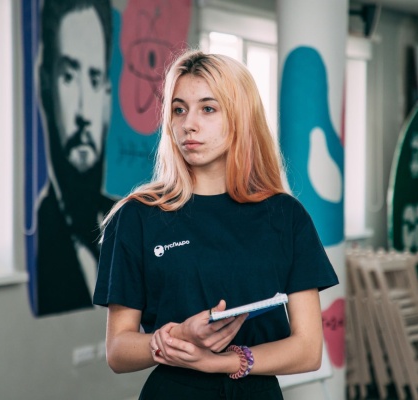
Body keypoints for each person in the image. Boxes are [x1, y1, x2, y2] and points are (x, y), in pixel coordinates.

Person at [93, 50, 339, 399]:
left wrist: (223, 362)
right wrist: (176, 337)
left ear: (241, 118)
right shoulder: (137, 216)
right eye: (179, 110)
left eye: (208, 109)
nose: (188, 124)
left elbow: (308, 350)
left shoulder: (286, 216)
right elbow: (118, 351)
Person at [34, 0, 114, 316]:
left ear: (107, 96)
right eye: (68, 76)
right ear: (45, 86)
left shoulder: (124, 224)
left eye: (94, 80)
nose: (83, 113)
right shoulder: (42, 232)